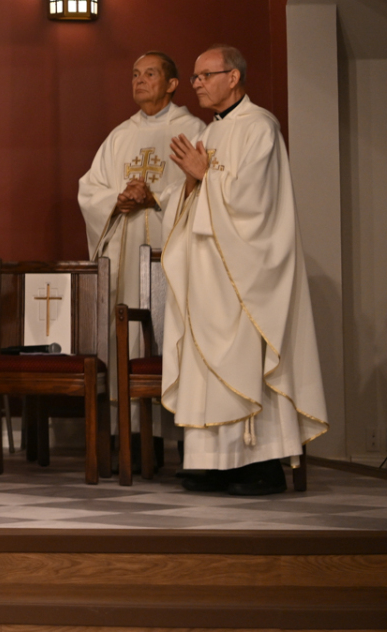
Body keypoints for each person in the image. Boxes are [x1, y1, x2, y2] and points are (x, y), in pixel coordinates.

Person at [163, 45, 328, 496]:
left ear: (233, 77)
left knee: (246, 365)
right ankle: (215, 463)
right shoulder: (211, 133)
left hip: (245, 275)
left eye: (204, 75)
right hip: (208, 274)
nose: (197, 84)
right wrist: (192, 182)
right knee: (209, 366)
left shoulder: (260, 127)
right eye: (194, 77)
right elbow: (191, 199)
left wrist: (206, 176)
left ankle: (260, 466)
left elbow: (257, 202)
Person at [76, 53, 205, 400]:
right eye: (135, 75)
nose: (139, 81)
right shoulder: (120, 135)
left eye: (150, 74)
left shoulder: (193, 131)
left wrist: (156, 197)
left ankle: (176, 415)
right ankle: (126, 422)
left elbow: (203, 186)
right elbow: (89, 189)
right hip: (126, 255)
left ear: (172, 84)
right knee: (125, 328)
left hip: (171, 249)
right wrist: (117, 200)